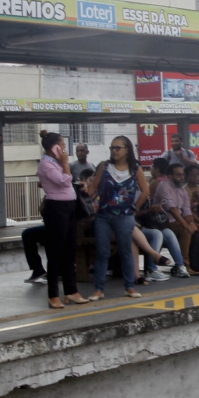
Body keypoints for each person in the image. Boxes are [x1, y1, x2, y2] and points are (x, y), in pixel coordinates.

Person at [86, 137, 148, 299]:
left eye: (118, 148)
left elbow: (145, 191)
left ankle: (129, 287)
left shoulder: (135, 169)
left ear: (127, 150)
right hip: (103, 215)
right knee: (102, 252)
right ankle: (99, 289)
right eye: (112, 148)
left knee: (126, 251)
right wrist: (88, 192)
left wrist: (134, 208)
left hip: (125, 216)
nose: (114, 151)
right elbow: (94, 187)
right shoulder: (105, 166)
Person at [36, 132, 88, 309]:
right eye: (62, 146)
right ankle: (53, 295)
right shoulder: (46, 164)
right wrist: (65, 163)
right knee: (56, 252)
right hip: (56, 208)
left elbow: (69, 183)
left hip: (69, 206)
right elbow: (64, 181)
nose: (65, 150)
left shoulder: (56, 163)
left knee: (69, 250)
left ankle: (71, 290)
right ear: (55, 147)